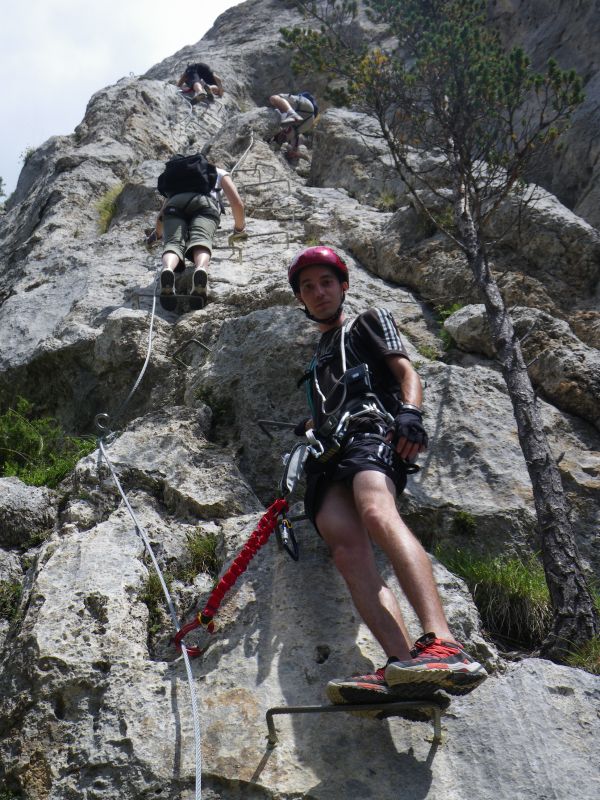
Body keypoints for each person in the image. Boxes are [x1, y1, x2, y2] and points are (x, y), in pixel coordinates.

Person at [287, 245, 488, 704]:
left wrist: (411, 413)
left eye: (326, 283)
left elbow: (404, 372)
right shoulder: (317, 359)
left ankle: (442, 642)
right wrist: (313, 424)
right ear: (301, 297)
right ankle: (402, 666)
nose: (318, 292)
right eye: (308, 287)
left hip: (369, 431)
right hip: (329, 451)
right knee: (344, 548)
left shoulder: (367, 322)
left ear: (343, 286)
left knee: (377, 511)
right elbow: (333, 402)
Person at [157, 155, 246, 311]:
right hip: (204, 204)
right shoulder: (218, 172)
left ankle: (168, 270)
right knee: (202, 240)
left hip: (174, 204)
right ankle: (200, 270)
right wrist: (239, 228)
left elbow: (161, 214)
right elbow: (237, 203)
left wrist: (157, 234)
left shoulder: (177, 180)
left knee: (173, 243)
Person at [269, 92, 318, 157]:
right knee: (288, 134)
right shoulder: (297, 136)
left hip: (306, 104)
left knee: (274, 97)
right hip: (310, 121)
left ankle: (292, 113)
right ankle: (292, 114)